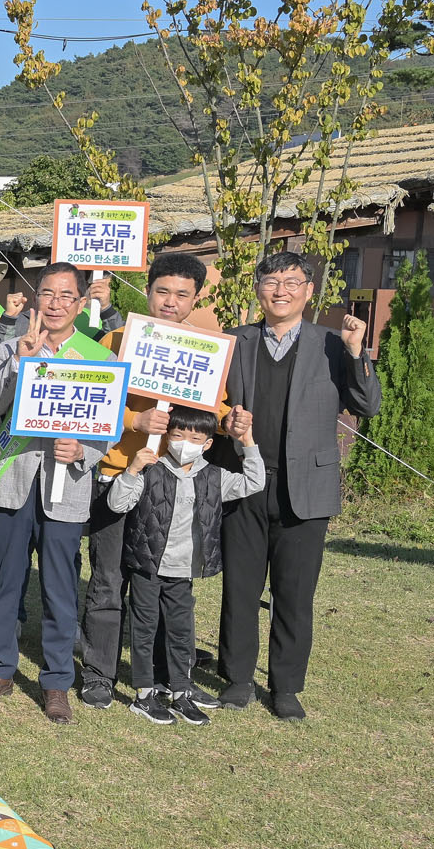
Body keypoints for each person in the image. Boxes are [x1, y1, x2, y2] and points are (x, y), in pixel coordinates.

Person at [219, 251, 378, 720]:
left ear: (309, 291)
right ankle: (238, 679)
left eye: (291, 282)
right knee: (240, 587)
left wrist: (356, 352)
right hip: (244, 479)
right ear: (258, 290)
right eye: (271, 281)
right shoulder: (235, 341)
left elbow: (367, 406)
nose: (280, 290)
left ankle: (286, 686)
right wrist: (225, 423)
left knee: (294, 592)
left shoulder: (332, 344)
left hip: (306, 485)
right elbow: (211, 404)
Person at [78, 254, 222, 711]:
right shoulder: (117, 339)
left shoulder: (206, 350)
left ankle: (167, 677)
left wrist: (230, 420)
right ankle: (99, 673)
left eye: (182, 294)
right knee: (108, 579)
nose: (170, 301)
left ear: (195, 299)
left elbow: (213, 412)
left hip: (174, 485)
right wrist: (133, 420)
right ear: (147, 291)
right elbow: (89, 400)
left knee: (165, 585)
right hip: (118, 474)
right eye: (162, 291)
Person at [0, 263, 107, 724]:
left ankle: (56, 681)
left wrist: (84, 451)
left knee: (59, 586)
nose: (55, 304)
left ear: (81, 302)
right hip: (14, 476)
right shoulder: (11, 346)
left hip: (66, 485)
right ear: (35, 299)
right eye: (47, 294)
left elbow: (106, 427)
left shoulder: (97, 356)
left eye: (66, 296)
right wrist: (20, 362)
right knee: (4, 579)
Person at [106, 406, 264, 726]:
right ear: (167, 436)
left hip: (183, 570)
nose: (184, 443)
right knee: (144, 629)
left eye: (194, 438)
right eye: (177, 436)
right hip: (148, 566)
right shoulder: (151, 470)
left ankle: (180, 691)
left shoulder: (215, 477)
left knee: (181, 632)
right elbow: (117, 503)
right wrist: (132, 469)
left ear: (207, 443)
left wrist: (247, 441)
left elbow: (254, 482)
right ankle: (144, 694)